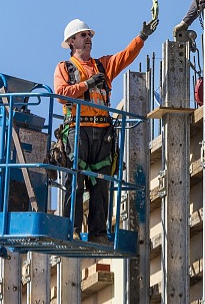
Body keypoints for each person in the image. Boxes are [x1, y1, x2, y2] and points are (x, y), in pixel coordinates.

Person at [53, 17, 156, 242]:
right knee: (75, 180)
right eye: (83, 35)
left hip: (102, 133)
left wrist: (142, 37)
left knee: (101, 183)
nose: (88, 38)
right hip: (77, 131)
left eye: (89, 35)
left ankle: (98, 233)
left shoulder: (103, 66)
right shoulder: (65, 68)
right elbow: (61, 94)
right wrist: (87, 85)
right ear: (71, 41)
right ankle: (72, 228)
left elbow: (125, 56)